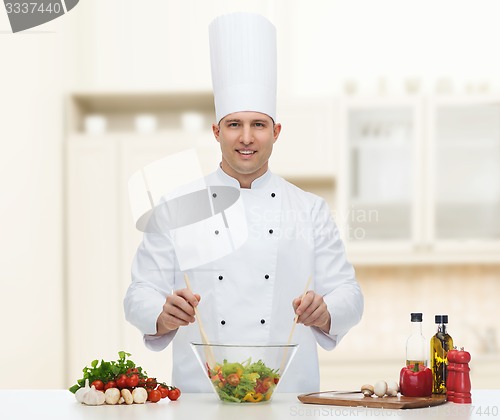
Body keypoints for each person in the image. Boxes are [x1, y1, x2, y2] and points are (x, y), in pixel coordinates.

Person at [124, 12, 363, 393]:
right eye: (234, 124)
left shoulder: (309, 209)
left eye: (259, 124)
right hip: (202, 400)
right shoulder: (176, 207)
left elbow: (349, 293)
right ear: (217, 131)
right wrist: (161, 314)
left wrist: (327, 310)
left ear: (276, 132)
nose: (246, 138)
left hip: (288, 398)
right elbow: (139, 292)